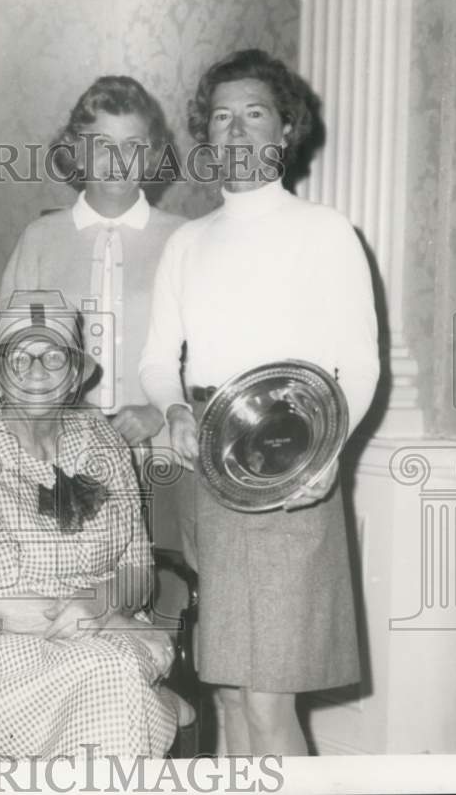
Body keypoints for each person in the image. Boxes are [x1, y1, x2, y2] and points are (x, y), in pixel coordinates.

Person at [139, 48, 380, 756]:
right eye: (222, 117)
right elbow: (160, 360)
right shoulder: (187, 241)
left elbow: (358, 363)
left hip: (292, 477)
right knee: (225, 693)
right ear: (207, 136)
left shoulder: (325, 231)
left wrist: (324, 454)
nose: (237, 132)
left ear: (284, 130)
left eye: (254, 115)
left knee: (269, 701)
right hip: (208, 477)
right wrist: (174, 409)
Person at [0, 291, 179, 760]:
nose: (36, 373)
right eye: (18, 358)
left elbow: (139, 569)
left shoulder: (105, 444)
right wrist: (114, 624)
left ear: (73, 374)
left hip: (101, 628)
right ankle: (162, 713)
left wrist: (104, 602)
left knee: (107, 674)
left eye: (53, 357)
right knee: (111, 673)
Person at [0, 75, 188, 554]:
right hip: (58, 463)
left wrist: (159, 412)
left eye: (132, 145)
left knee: (153, 599)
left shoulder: (184, 240)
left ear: (151, 154)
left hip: (158, 459)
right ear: (76, 151)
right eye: (101, 144)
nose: (117, 160)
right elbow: (9, 356)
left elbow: (206, 356)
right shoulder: (41, 240)